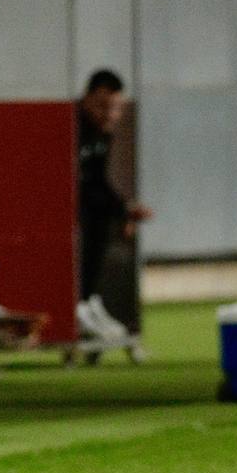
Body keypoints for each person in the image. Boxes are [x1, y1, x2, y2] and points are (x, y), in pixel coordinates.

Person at [77, 69, 152, 340]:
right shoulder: (71, 128)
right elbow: (76, 185)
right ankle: (78, 303)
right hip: (62, 212)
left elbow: (97, 180)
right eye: (102, 106)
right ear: (86, 100)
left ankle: (88, 299)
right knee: (89, 220)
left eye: (115, 108)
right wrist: (121, 209)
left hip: (87, 210)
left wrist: (125, 210)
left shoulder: (101, 135)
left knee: (101, 221)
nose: (109, 114)